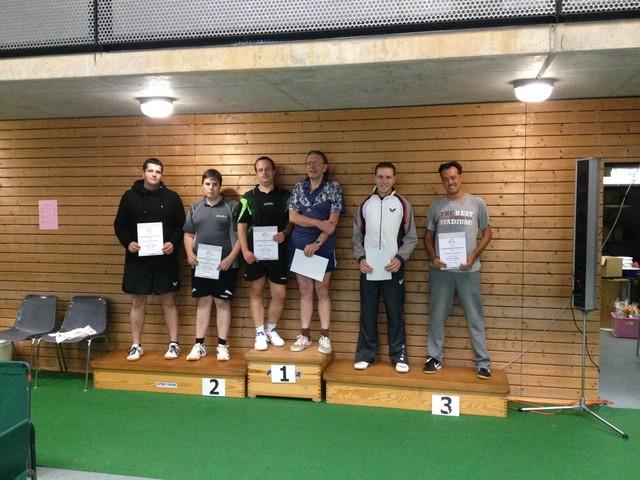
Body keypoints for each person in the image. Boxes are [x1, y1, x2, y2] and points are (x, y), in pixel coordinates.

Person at [423, 161, 493, 379]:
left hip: (468, 271)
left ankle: (483, 362)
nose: (450, 182)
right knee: (437, 316)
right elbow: (427, 236)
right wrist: (433, 257)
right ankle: (434, 357)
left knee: (475, 317)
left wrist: (474, 256)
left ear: (461, 177)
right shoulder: (436, 206)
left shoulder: (477, 203)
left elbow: (488, 233)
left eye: (453, 177)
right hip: (441, 272)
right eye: (445, 179)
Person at [114, 157, 185, 361]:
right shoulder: (129, 197)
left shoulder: (172, 197)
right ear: (143, 173)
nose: (154, 175)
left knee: (169, 300)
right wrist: (128, 243)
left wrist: (173, 243)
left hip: (165, 258)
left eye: (158, 172)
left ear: (161, 175)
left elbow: (181, 226)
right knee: (138, 301)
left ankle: (174, 344)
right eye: (151, 171)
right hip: (138, 259)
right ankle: (136, 345)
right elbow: (119, 225)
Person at [352, 162, 417, 373]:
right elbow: (356, 237)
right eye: (380, 177)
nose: (384, 181)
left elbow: (411, 238)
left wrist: (400, 258)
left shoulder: (403, 205)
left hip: (393, 269)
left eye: (388, 177)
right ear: (374, 178)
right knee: (368, 313)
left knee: (395, 313)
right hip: (369, 269)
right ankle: (365, 355)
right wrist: (360, 258)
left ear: (394, 179)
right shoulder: (365, 205)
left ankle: (399, 356)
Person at [288, 150, 344, 354]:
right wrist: (318, 222)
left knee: (322, 290)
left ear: (324, 167)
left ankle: (325, 336)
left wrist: (318, 243)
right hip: (300, 246)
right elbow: (293, 217)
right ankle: (305, 335)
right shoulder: (298, 187)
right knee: (304, 291)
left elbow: (333, 222)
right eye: (309, 162)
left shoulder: (333, 187)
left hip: (323, 247)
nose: (312, 166)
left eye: (316, 162)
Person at [183, 169, 241, 362]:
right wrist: (189, 254)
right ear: (203, 185)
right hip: (202, 265)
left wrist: (230, 259)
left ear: (219, 186)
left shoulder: (232, 207)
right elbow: (188, 234)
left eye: (215, 184)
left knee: (222, 303)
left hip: (224, 265)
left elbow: (240, 236)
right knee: (203, 302)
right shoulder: (195, 207)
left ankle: (222, 346)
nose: (211, 188)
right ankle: (199, 345)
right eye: (208, 184)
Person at [236, 156, 291, 350]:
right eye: (260, 169)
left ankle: (271, 329)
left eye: (268, 169)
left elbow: (291, 220)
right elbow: (241, 226)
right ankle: (259, 333)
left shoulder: (285, 196)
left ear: (274, 172)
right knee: (256, 291)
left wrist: (285, 233)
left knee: (280, 293)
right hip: (255, 254)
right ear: (256, 173)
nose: (264, 172)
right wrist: (245, 250)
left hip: (278, 252)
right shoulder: (247, 198)